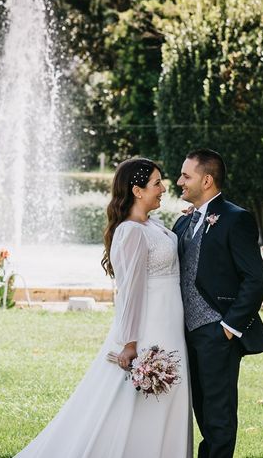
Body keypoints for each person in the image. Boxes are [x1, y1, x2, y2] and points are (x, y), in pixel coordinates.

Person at [16, 157, 192, 457]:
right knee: (138, 400)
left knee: (169, 397)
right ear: (137, 191)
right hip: (150, 328)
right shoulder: (131, 232)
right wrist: (130, 342)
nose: (164, 188)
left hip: (170, 324)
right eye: (156, 183)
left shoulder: (152, 225)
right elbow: (131, 292)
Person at [173, 148, 263, 458]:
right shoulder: (183, 223)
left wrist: (228, 327)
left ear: (207, 180)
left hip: (217, 332)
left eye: (186, 176)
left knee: (219, 414)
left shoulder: (235, 218)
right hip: (184, 333)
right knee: (200, 407)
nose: (179, 182)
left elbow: (255, 279)